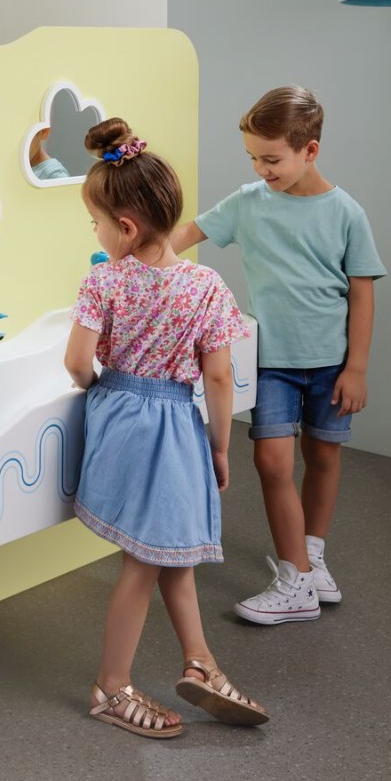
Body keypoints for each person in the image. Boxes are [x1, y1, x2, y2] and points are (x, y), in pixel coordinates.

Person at [65, 118, 267, 739]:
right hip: (178, 424)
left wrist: (102, 391)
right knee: (149, 557)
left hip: (123, 419)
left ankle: (196, 661)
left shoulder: (103, 279)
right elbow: (220, 378)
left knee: (166, 551)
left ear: (125, 228)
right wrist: (220, 447)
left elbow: (76, 363)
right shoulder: (206, 286)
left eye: (96, 223)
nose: (96, 234)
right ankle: (112, 686)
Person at [170, 86, 386, 626]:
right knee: (271, 462)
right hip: (270, 363)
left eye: (271, 159)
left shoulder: (346, 213)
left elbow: (362, 293)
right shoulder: (247, 202)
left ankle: (311, 559)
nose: (260, 169)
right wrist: (135, 259)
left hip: (332, 363)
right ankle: (295, 580)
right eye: (253, 157)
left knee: (324, 457)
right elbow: (186, 235)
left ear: (309, 151)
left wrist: (357, 368)